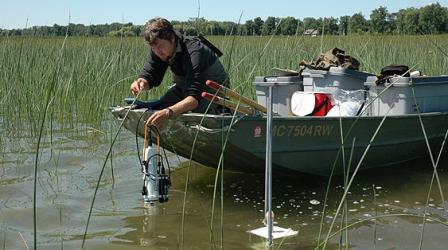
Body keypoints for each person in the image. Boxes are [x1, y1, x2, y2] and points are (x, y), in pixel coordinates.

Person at [130, 17, 229, 127]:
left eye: (160, 46)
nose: (157, 51)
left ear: (172, 38)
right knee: (157, 108)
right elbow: (150, 73)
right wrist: (142, 82)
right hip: (184, 87)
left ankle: (221, 110)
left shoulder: (194, 50)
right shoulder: (159, 48)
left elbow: (193, 99)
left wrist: (169, 111)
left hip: (211, 90)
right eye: (153, 48)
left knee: (194, 119)